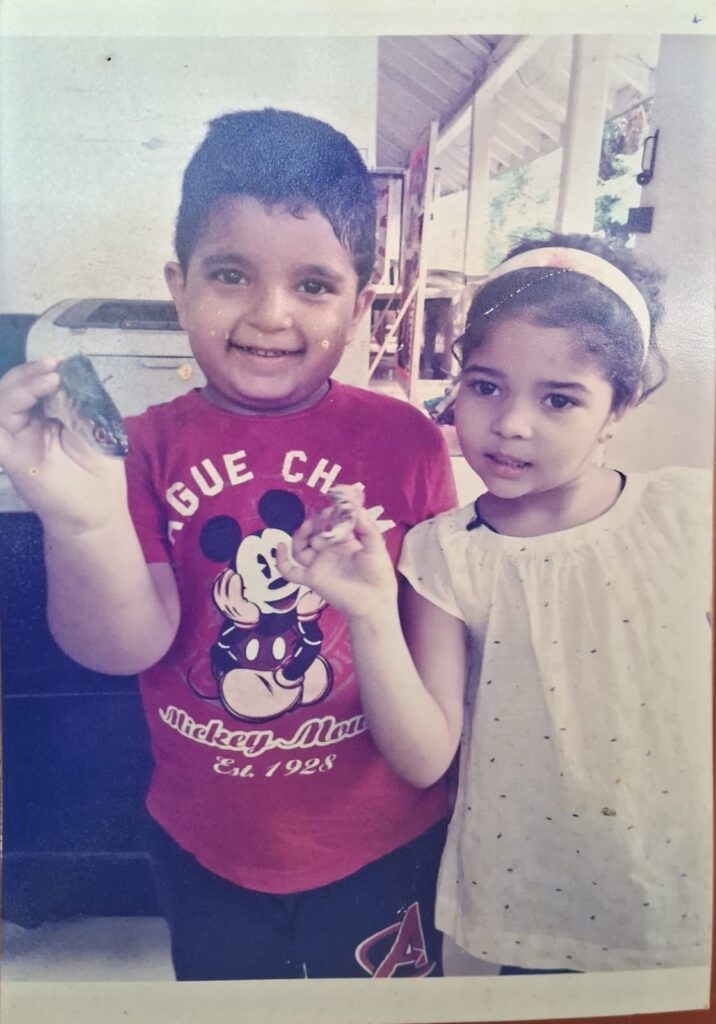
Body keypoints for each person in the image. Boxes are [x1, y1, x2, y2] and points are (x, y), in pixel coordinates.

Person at [0, 108, 458, 980]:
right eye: (231, 274)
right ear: (180, 287)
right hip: (201, 847)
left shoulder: (409, 445)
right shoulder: (137, 446)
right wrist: (81, 517)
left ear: (362, 305)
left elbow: (433, 714)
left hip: (383, 846)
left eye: (315, 285)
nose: (269, 314)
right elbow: (121, 645)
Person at [277, 233, 713, 973]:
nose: (512, 423)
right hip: (532, 904)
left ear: (620, 406)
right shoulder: (445, 554)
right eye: (486, 386)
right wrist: (371, 612)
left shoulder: (688, 513)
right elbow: (423, 757)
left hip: (681, 887)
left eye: (559, 399)